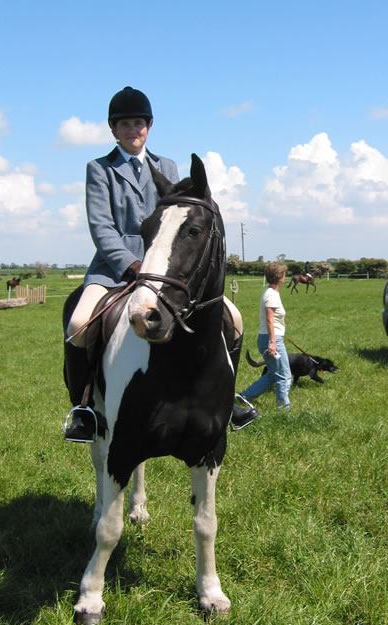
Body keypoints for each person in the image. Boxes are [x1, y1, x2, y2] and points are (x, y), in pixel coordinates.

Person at [63, 86, 258, 442]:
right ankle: (85, 408)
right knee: (78, 324)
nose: (132, 129)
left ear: (149, 126)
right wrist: (131, 264)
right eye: (124, 124)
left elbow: (177, 219)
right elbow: (101, 227)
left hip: (166, 269)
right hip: (112, 267)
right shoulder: (99, 169)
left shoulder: (166, 166)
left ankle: (228, 398)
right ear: (113, 130)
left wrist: (158, 263)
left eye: (139, 123)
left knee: (234, 318)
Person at [239, 261, 291, 410]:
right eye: (284, 273)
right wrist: (273, 342)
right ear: (280, 276)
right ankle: (283, 409)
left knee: (273, 375)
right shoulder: (271, 295)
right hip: (271, 340)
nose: (285, 276)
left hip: (268, 338)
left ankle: (245, 396)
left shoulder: (271, 292)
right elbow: (269, 319)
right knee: (284, 376)